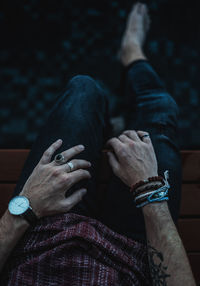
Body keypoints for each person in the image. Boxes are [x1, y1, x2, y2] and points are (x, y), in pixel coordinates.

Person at [0, 3, 195, 285]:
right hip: (130, 258)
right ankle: (133, 55)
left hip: (44, 240)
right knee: (160, 109)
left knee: (84, 90)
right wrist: (150, 190)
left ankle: (107, 125)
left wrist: (27, 206)